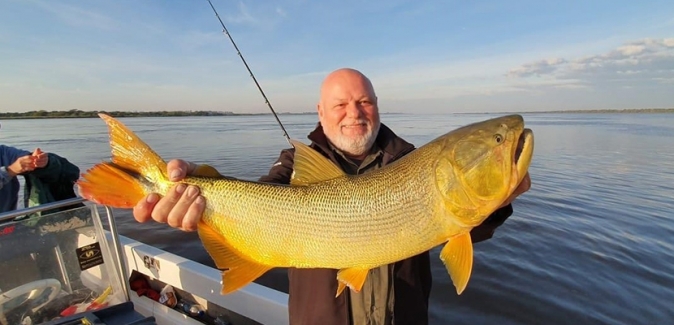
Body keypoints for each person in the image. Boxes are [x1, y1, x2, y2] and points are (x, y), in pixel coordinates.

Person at [132, 68, 531, 325]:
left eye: (364, 102)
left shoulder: (411, 161)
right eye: (340, 104)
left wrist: (500, 201)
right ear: (321, 112)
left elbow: (465, 227)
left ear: (377, 107)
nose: (354, 112)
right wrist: (193, 188)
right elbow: (268, 193)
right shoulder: (294, 163)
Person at [0, 145, 49, 213]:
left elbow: (22, 156)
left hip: (8, 220)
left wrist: (38, 159)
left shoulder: (3, 151)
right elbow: (13, 168)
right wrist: (11, 171)